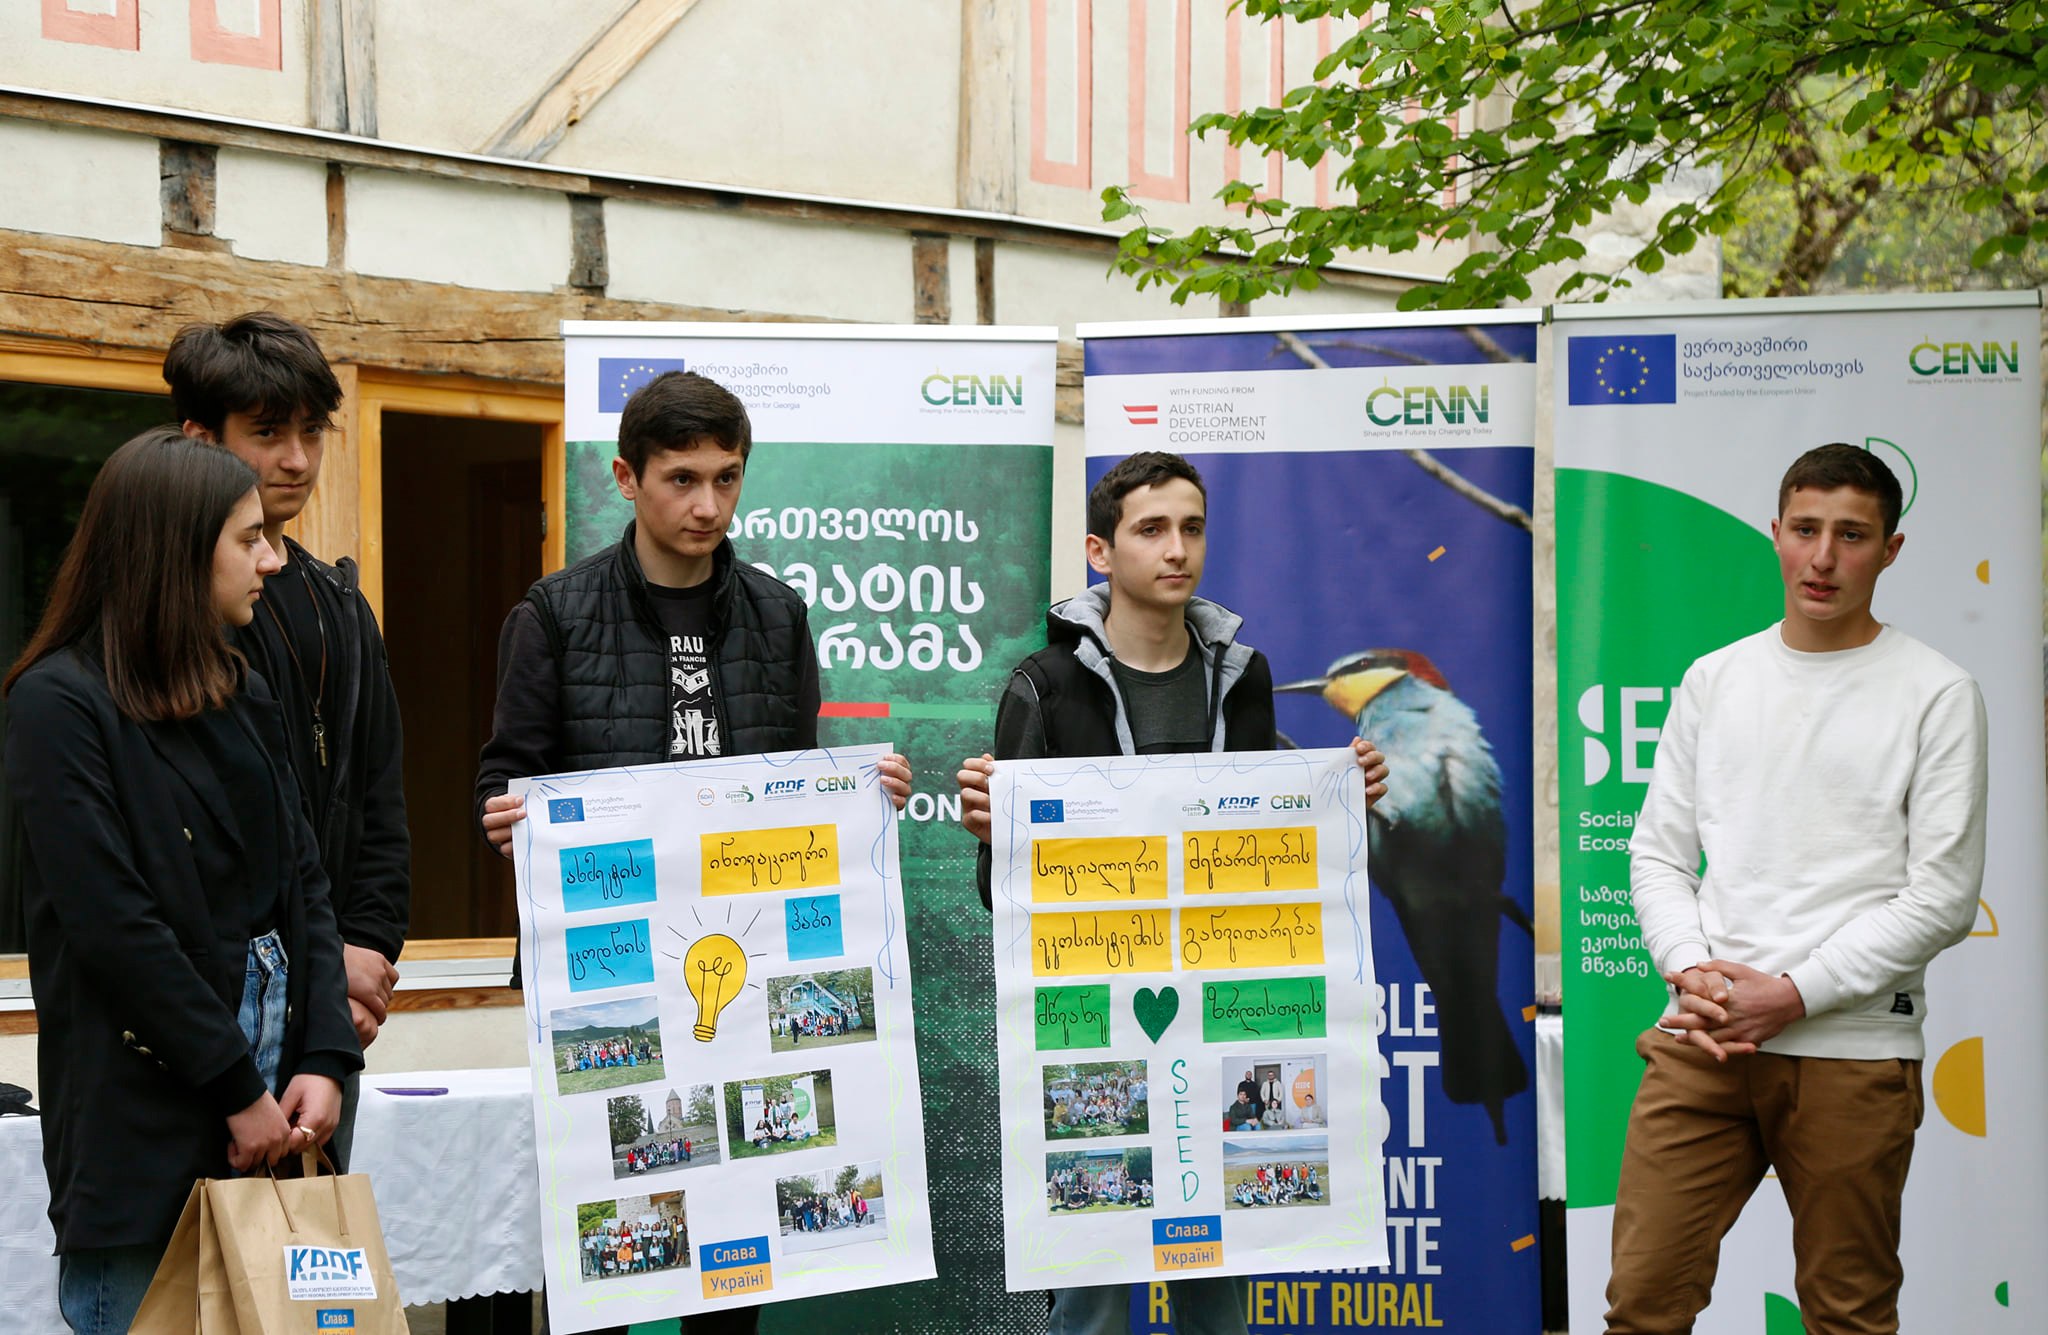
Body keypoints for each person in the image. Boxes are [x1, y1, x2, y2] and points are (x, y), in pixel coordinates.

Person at [475, 372, 909, 1334]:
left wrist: (857, 800)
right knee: (605, 1244)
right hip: (606, 975)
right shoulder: (553, 613)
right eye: (681, 479)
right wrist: (504, 817)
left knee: (737, 1241)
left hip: (744, 973)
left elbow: (796, 785)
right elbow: (504, 776)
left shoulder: (777, 614)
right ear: (626, 477)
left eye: (727, 477)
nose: (707, 504)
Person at [957, 451, 1388, 1335]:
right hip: (1090, 1023)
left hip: (1221, 1018)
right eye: (1151, 529)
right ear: (1100, 551)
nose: (1176, 548)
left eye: (1191, 527)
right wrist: (1000, 841)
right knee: (1092, 1292)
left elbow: (1266, 861)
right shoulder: (1043, 684)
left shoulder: (1244, 675)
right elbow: (1003, 903)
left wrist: (1341, 807)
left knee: (1218, 1287)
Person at [1604, 445, 1988, 1334]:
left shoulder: (1937, 693)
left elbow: (1942, 896)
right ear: (1775, 534)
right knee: (1642, 1304)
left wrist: (1793, 993)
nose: (1823, 557)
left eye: (1851, 535)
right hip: (1703, 1037)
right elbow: (1658, 854)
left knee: (1847, 1315)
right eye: (1806, 529)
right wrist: (1691, 968)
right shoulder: (1715, 679)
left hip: (1852, 1048)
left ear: (1890, 549)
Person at [4, 429, 362, 1334]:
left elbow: (305, 886)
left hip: (280, 1118)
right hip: (144, 1140)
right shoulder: (57, 705)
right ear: (174, 551)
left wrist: (326, 1056)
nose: (272, 560)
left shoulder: (241, 689)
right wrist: (236, 1088)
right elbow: (115, 928)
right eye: (248, 538)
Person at [166, 313, 411, 1170]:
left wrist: (366, 951)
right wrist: (323, 962)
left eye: (312, 431)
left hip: (327, 1034)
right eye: (267, 433)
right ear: (201, 438)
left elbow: (379, 802)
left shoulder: (339, 604)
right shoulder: (173, 619)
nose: (298, 460)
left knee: (309, 1251)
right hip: (207, 1028)